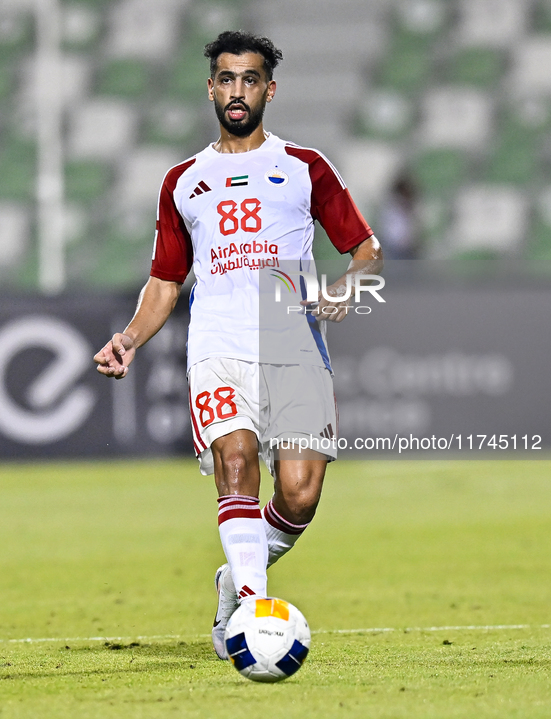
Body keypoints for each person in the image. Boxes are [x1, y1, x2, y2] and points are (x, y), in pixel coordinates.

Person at [93, 30, 383, 660]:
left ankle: (236, 575)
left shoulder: (306, 168)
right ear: (211, 88)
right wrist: (130, 338)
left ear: (268, 91)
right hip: (218, 339)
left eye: (249, 79)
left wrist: (343, 288)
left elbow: (366, 249)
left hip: (294, 340)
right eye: (226, 78)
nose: (236, 90)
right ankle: (252, 613)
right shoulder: (183, 181)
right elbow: (167, 281)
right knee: (235, 461)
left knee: (301, 493)